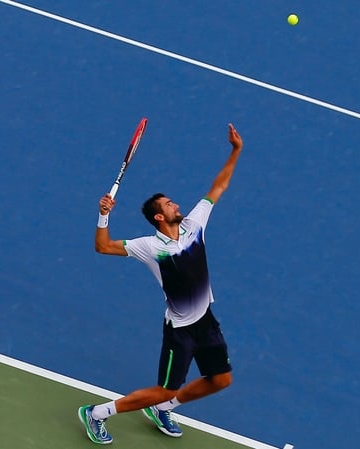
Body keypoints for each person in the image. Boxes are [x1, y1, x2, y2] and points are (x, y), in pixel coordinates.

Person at [77, 124, 243, 444]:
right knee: (163, 387)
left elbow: (218, 187)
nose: (176, 205)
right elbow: (103, 246)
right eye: (169, 205)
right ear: (158, 218)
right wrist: (103, 216)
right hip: (180, 331)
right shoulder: (149, 248)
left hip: (205, 321)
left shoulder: (194, 226)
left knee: (220, 379)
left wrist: (235, 151)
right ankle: (96, 413)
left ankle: (164, 408)